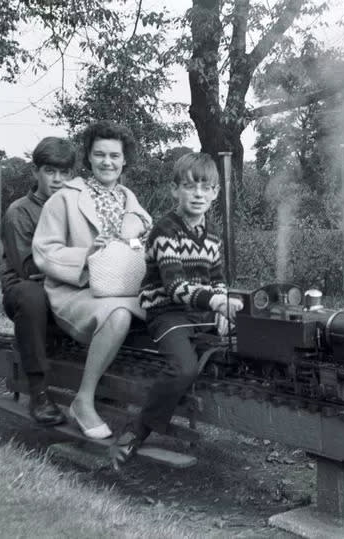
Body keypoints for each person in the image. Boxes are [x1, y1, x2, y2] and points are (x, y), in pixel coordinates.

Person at [111, 152, 243, 467]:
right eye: (189, 186)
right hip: (166, 311)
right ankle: (136, 431)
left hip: (199, 311)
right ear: (175, 191)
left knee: (245, 345)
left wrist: (223, 310)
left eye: (205, 187)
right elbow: (174, 286)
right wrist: (215, 302)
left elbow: (217, 279)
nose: (197, 194)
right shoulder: (164, 230)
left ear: (214, 194)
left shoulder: (211, 234)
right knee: (184, 368)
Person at [32, 121, 152, 440]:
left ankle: (151, 399)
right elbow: (43, 251)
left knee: (162, 306)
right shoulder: (66, 198)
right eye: (99, 154)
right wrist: (86, 255)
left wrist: (136, 222)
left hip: (120, 286)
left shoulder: (128, 198)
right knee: (119, 314)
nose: (107, 162)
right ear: (88, 157)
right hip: (75, 292)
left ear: (125, 159)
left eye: (115, 155)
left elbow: (145, 226)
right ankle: (83, 400)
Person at [1, 136, 76, 425]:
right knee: (33, 295)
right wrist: (82, 264)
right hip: (27, 291)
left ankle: (108, 390)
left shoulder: (76, 208)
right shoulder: (19, 212)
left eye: (64, 173)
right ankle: (39, 392)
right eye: (50, 171)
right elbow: (29, 269)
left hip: (67, 287)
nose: (57, 180)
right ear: (36, 172)